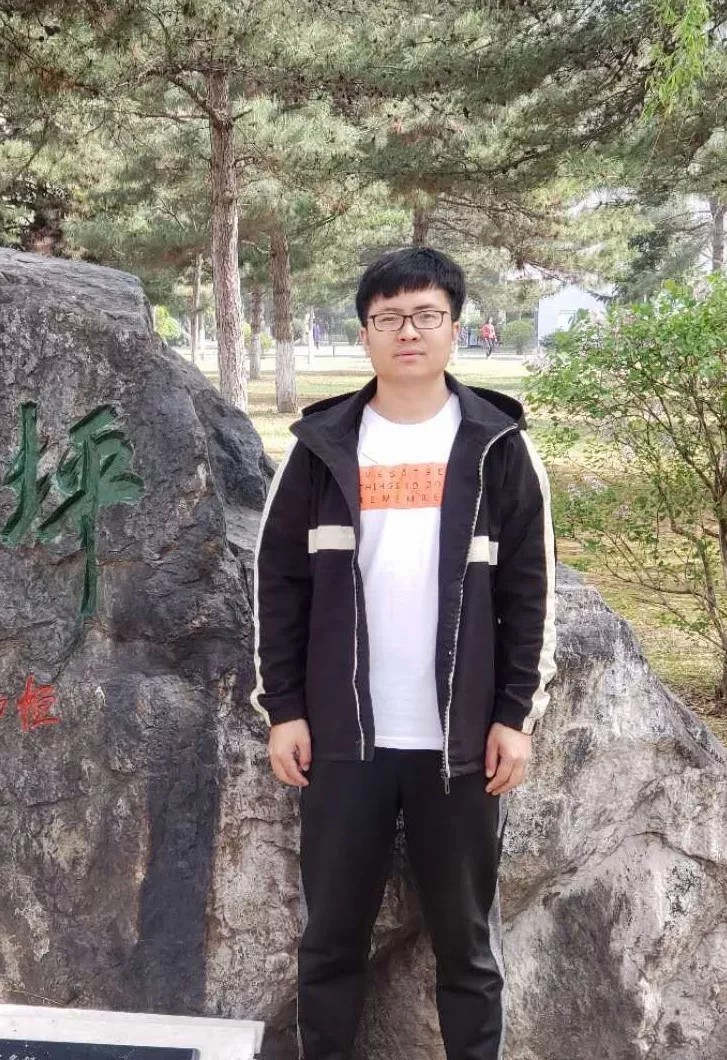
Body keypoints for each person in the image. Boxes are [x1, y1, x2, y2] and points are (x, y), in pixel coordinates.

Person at [252, 246, 557, 1060]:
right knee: (329, 941)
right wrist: (283, 710)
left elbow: (530, 593)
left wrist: (514, 717)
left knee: (466, 947)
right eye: (388, 318)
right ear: (365, 334)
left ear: (455, 328)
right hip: (341, 738)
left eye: (426, 315)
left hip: (460, 745)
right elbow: (278, 587)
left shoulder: (497, 447)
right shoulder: (320, 447)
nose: (408, 332)